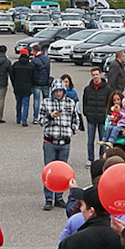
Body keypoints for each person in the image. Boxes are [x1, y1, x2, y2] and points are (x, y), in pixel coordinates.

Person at [39, 76, 84, 210]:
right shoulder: (46, 102)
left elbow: (76, 120)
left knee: (62, 172)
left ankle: (59, 197)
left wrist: (72, 131)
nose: (58, 93)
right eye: (56, 91)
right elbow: (40, 120)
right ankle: (48, 198)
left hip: (65, 142)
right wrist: (50, 116)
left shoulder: (70, 103)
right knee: (49, 170)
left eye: (60, 91)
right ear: (52, 91)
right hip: (50, 141)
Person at [81, 65, 112, 160]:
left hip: (102, 119)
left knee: (103, 140)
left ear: (100, 74)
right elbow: (84, 102)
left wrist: (107, 115)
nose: (95, 76)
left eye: (97, 74)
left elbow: (109, 103)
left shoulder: (107, 89)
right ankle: (90, 159)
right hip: (91, 118)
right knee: (90, 141)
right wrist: (86, 113)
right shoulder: (87, 89)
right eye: (93, 75)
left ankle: (102, 158)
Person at [10, 48, 38, 125]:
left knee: (18, 103)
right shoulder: (31, 65)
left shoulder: (15, 65)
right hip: (27, 87)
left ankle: (18, 118)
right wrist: (32, 85)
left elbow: (12, 75)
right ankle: (24, 120)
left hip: (17, 87)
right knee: (26, 104)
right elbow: (34, 77)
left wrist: (14, 84)